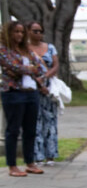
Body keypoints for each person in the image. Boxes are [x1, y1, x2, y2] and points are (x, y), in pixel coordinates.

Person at [0, 21, 46, 177]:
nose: (19, 34)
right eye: (16, 31)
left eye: (21, 32)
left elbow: (41, 67)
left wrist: (24, 69)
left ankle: (30, 163)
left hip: (31, 93)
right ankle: (12, 166)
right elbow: (12, 65)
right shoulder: (3, 49)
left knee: (30, 130)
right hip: (13, 93)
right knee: (13, 130)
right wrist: (26, 68)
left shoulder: (26, 49)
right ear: (9, 33)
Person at [28, 21, 59, 165]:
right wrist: (39, 83)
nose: (38, 34)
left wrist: (45, 77)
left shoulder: (50, 47)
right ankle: (37, 155)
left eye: (40, 31)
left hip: (49, 89)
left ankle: (51, 155)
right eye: (35, 31)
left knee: (51, 121)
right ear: (28, 32)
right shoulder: (25, 49)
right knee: (35, 122)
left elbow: (56, 65)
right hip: (32, 88)